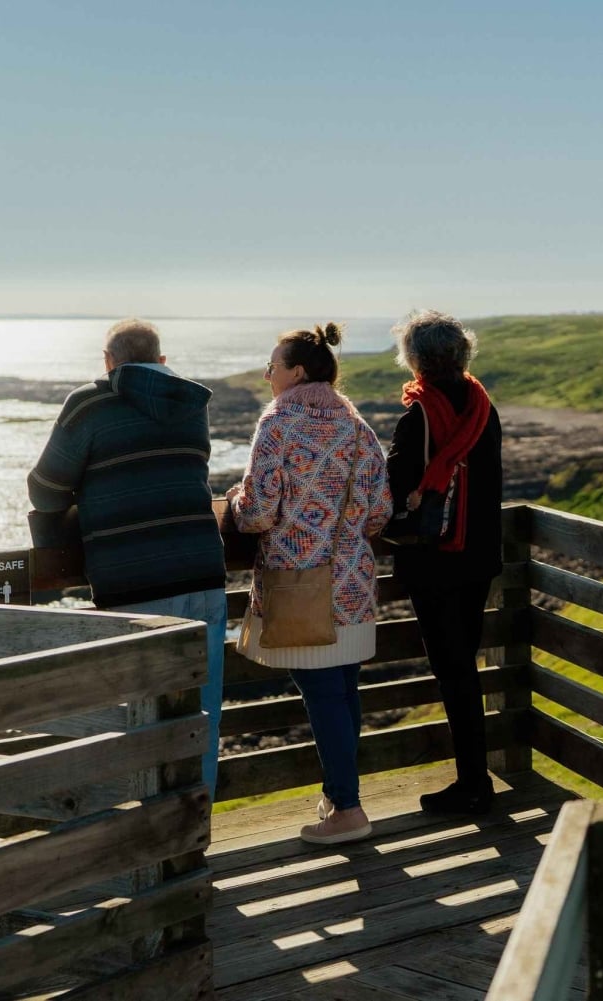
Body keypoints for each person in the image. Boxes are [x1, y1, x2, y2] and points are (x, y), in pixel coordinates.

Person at [29, 318, 228, 795]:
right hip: (204, 574)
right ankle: (194, 823)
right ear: (161, 360)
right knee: (202, 716)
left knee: (135, 723)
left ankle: (147, 832)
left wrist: (94, 492)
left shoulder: (89, 404)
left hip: (134, 583)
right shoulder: (191, 402)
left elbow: (46, 489)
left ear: (108, 362)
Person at [228, 322, 391, 844]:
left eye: (272, 366)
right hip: (353, 581)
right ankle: (338, 797)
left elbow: (257, 513)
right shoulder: (356, 425)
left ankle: (348, 809)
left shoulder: (277, 423)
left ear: (296, 372)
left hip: (299, 583)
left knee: (322, 695)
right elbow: (379, 511)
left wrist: (233, 502)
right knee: (342, 690)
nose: (267, 375)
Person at [386, 310, 503, 815]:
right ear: (462, 354)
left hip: (435, 562)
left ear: (415, 360)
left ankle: (473, 785)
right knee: (464, 667)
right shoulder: (483, 407)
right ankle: (475, 780)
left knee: (452, 671)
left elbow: (390, 491)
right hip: (479, 555)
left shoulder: (419, 417)